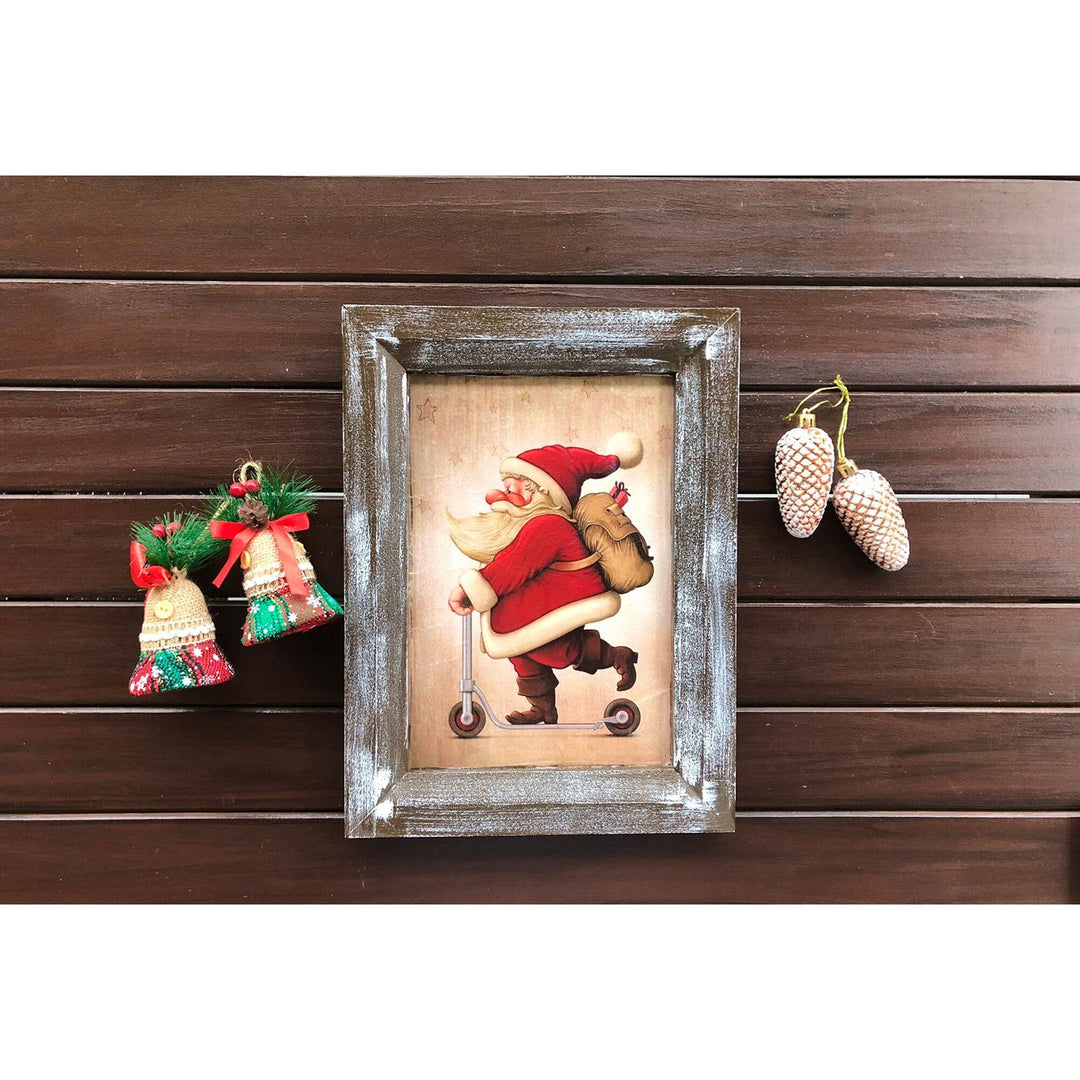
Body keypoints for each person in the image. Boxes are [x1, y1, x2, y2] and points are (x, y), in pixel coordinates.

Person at [446, 435, 643, 724]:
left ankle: (615, 655)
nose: (501, 494)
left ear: (541, 489)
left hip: (572, 591)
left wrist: (471, 588)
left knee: (546, 645)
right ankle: (542, 707)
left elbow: (515, 566)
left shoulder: (548, 525)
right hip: (556, 588)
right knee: (513, 633)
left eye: (512, 486)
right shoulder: (538, 523)